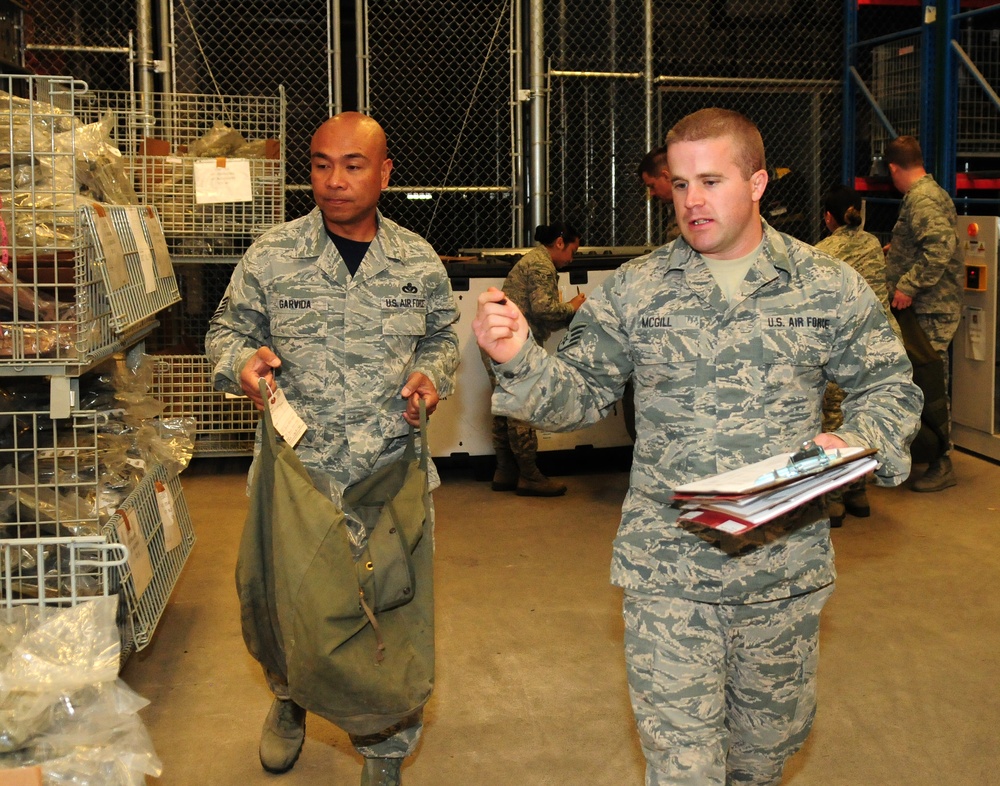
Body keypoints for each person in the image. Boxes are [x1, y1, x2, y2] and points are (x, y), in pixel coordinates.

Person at [473, 107, 921, 785]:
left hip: (782, 571)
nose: (692, 201)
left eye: (711, 180)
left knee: (763, 758)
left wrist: (851, 446)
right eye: (680, 185)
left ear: (759, 182)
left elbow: (891, 387)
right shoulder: (636, 290)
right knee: (685, 769)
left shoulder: (826, 286)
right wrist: (518, 357)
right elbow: (578, 395)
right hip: (668, 571)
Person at [205, 112, 460, 786]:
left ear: (384, 173)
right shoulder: (274, 255)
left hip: (387, 471)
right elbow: (225, 331)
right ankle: (290, 698)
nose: (334, 180)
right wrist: (242, 364)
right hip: (299, 474)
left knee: (391, 608)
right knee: (284, 601)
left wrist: (433, 375)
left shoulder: (417, 262)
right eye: (320, 164)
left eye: (352, 165)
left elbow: (441, 337)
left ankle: (384, 748)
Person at [815, 184, 900, 526]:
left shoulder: (822, 251)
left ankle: (834, 501)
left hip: (845, 346)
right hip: (882, 342)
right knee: (867, 416)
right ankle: (859, 493)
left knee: (835, 419)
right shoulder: (871, 245)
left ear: (828, 218)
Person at [885, 134, 964, 492]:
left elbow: (940, 246)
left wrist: (908, 285)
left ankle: (941, 460)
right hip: (929, 307)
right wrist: (899, 248)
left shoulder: (923, 199)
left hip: (932, 308)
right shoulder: (925, 196)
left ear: (893, 168)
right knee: (922, 380)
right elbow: (927, 242)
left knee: (930, 383)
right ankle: (926, 454)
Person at [484, 222, 585, 496]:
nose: (572, 258)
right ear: (561, 242)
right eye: (573, 251)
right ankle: (529, 476)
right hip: (513, 345)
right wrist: (573, 307)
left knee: (505, 407)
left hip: (500, 340)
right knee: (522, 408)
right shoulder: (542, 265)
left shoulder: (533, 260)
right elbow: (544, 310)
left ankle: (505, 471)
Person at [637, 145, 681, 242]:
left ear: (666, 176)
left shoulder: (689, 207)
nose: (651, 193)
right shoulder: (677, 207)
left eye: (652, 186)